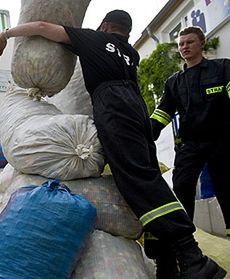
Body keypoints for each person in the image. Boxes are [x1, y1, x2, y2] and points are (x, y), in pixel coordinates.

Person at [0, 12, 226, 279]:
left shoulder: (95, 39)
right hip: (137, 108)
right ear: (127, 32)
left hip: (114, 106)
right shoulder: (130, 53)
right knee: (150, 177)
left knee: (137, 180)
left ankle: (193, 257)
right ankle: (167, 262)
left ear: (105, 26)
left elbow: (40, 26)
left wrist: (5, 34)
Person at [151, 26, 230, 238]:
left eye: (189, 42)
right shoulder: (174, 82)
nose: (184, 47)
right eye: (181, 44)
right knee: (182, 186)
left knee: (225, 188)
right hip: (190, 144)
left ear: (202, 43)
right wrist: (147, 131)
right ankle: (185, 238)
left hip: (221, 142)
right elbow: (163, 112)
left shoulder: (223, 68)